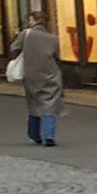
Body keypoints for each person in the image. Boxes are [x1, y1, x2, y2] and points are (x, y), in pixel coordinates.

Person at [15, 11, 64, 145]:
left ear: (35, 21)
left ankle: (34, 134)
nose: (29, 23)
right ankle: (49, 136)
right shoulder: (54, 38)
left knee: (33, 103)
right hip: (51, 74)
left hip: (31, 74)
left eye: (30, 20)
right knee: (50, 104)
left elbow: (13, 48)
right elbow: (58, 56)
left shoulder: (26, 34)